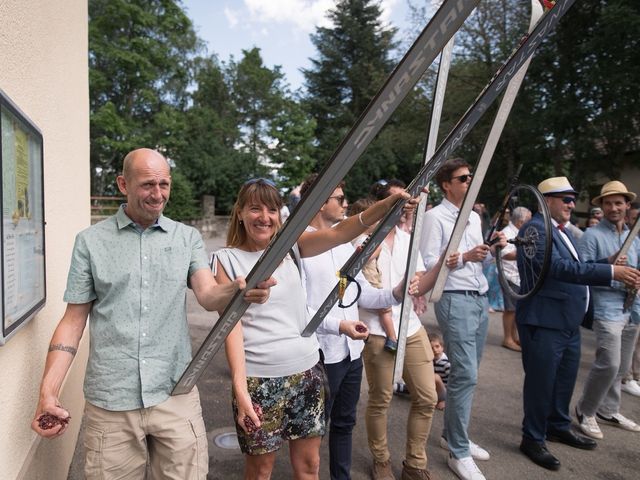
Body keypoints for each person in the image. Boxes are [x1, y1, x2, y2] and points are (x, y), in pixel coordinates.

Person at [31, 148, 275, 480]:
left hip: (175, 391)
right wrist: (49, 391)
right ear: (123, 184)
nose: (158, 194)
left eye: (164, 184)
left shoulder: (186, 238)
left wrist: (236, 289)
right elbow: (73, 321)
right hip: (111, 400)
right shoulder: (90, 242)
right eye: (147, 184)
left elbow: (207, 294)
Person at [213, 178, 413, 480]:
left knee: (310, 467)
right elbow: (231, 330)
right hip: (259, 382)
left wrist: (387, 205)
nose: (265, 217)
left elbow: (341, 231)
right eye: (255, 209)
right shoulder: (225, 260)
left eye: (272, 209)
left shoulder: (291, 247)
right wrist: (240, 391)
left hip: (307, 373)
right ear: (239, 213)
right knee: (260, 472)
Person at [515, 176, 640, 472]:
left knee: (564, 380)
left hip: (565, 320)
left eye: (573, 198)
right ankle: (532, 437)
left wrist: (608, 261)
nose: (572, 203)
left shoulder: (560, 231)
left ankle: (557, 424)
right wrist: (611, 271)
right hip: (544, 320)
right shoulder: (535, 229)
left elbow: (578, 265)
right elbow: (558, 268)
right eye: (565, 198)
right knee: (541, 383)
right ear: (547, 202)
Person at [299, 175, 405, 480]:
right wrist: (339, 326)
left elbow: (358, 292)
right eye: (340, 199)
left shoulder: (343, 246)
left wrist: (395, 293)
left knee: (345, 423)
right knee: (314, 429)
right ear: (320, 202)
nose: (346, 204)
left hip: (351, 351)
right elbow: (299, 308)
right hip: (320, 353)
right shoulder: (300, 246)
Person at [420, 158, 506, 480]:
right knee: (465, 373)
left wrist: (487, 249)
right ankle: (458, 450)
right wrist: (465, 258)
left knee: (467, 374)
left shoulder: (472, 216)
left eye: (471, 177)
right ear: (447, 184)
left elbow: (474, 259)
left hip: (478, 297)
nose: (470, 181)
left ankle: (453, 435)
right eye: (464, 177)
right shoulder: (434, 217)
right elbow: (429, 264)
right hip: (454, 299)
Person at [358, 196, 445, 480]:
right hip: (377, 332)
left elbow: (420, 285)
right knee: (381, 399)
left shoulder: (410, 240)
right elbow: (356, 289)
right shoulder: (361, 241)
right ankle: (381, 460)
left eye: (408, 204)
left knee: (427, 396)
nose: (406, 207)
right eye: (400, 202)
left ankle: (415, 463)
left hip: (411, 327)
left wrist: (443, 263)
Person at [575, 181, 640, 439]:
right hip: (606, 307)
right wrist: (614, 272)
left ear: (627, 205)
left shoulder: (631, 236)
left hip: (632, 307)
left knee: (622, 366)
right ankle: (585, 409)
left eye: (619, 202)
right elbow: (581, 273)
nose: (614, 207)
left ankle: (608, 409)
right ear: (601, 206)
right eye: (609, 203)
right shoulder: (591, 236)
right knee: (609, 364)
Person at [348, 198, 398, 353]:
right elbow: (364, 257)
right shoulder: (362, 239)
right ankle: (392, 338)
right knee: (385, 309)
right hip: (370, 279)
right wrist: (377, 249)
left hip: (371, 277)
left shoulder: (357, 238)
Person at [499, 206, 532, 351]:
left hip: (517, 276)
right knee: (511, 310)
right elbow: (505, 254)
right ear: (520, 221)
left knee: (516, 309)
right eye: (529, 220)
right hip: (509, 275)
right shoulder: (507, 232)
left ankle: (513, 337)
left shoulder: (519, 231)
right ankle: (508, 338)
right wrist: (527, 253)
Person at [430, 333, 451, 410]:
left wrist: (446, 401)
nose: (435, 350)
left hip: (444, 392)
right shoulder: (431, 360)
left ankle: (442, 400)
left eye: (437, 346)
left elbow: (452, 383)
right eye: (431, 348)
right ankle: (397, 387)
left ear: (442, 347)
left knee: (436, 377)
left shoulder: (446, 364)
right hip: (433, 390)